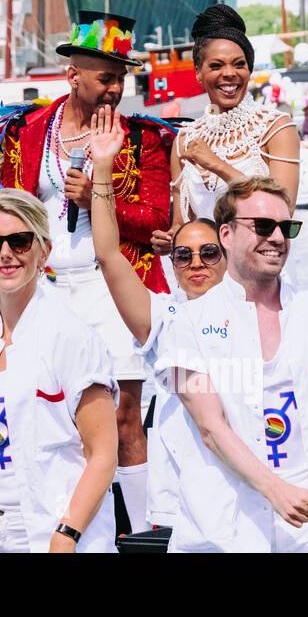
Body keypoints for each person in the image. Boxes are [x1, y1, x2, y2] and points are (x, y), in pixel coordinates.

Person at [0, 7, 172, 538]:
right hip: (41, 289)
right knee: (49, 410)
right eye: (107, 77)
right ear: (74, 75)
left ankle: (140, 536)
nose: (116, 89)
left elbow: (158, 218)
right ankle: (60, 524)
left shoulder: (143, 137)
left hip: (114, 285)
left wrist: (97, 196)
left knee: (123, 414)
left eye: (121, 78)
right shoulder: (26, 131)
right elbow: (5, 205)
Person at [155, 176, 308, 552]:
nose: (278, 238)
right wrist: (276, 489)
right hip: (229, 524)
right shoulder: (189, 323)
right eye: (263, 227)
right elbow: (210, 428)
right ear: (227, 235)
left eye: (287, 227)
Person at [0, 189, 119, 553]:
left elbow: (103, 454)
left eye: (19, 242)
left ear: (44, 251)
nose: (5, 254)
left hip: (56, 535)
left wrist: (65, 535)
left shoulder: (70, 336)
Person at [87, 104, 228, 531]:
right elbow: (109, 255)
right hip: (179, 493)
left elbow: (272, 217)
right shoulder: (164, 317)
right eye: (183, 254)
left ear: (229, 252)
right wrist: (103, 168)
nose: (196, 263)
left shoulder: (255, 311)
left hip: (244, 478)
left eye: (209, 253)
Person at [168, 5, 300, 230]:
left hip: (261, 262)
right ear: (198, 73)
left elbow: (282, 211)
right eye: (216, 65)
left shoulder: (276, 128)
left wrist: (217, 165)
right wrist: (170, 238)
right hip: (207, 264)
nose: (229, 73)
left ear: (249, 70)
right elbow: (182, 225)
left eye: (239, 64)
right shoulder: (184, 140)